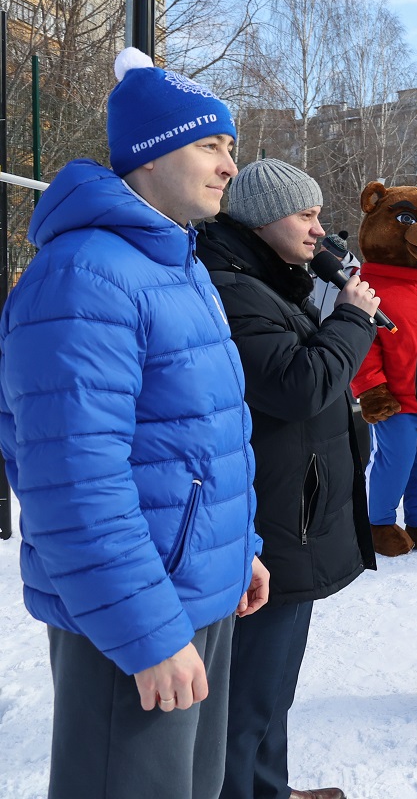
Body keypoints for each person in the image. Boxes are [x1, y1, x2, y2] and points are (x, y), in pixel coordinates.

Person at [0, 47, 268, 799]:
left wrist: (237, 547)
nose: (227, 165)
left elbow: (203, 436)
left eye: (231, 147)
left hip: (195, 591)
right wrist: (145, 633)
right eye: (208, 144)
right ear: (150, 155)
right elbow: (70, 481)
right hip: (130, 616)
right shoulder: (85, 273)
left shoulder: (180, 265)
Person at [200, 160, 380, 799]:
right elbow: (299, 387)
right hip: (273, 515)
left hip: (294, 510)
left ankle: (269, 788)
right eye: (306, 215)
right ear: (262, 217)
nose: (319, 228)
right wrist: (353, 319)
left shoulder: (273, 281)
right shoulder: (234, 287)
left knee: (275, 683)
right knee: (250, 686)